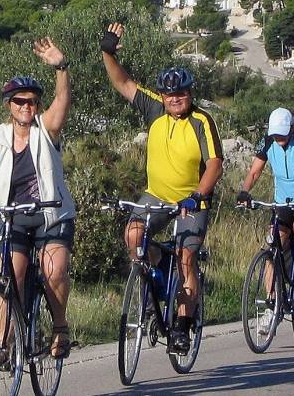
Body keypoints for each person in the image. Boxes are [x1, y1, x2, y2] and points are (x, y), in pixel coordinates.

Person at [100, 22, 224, 354]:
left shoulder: (202, 121)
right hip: (156, 194)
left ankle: (182, 328)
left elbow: (214, 164)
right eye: (170, 95)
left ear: (190, 93)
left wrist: (198, 195)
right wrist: (107, 51)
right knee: (133, 236)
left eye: (180, 94)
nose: (174, 99)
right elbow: (122, 82)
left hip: (191, 200)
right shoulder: (155, 108)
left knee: (186, 258)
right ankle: (157, 268)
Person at [0, 38, 76, 363]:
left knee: (54, 270)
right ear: (9, 104)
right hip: (13, 218)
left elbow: (62, 102)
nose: (26, 106)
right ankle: (3, 345)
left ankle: (60, 328)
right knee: (11, 275)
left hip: (51, 215)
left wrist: (61, 68)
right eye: (20, 101)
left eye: (33, 101)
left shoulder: (45, 129)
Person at [238, 107, 294, 304]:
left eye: (283, 133)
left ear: (292, 129)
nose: (279, 138)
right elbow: (254, 172)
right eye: (275, 134)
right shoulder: (267, 143)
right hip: (283, 202)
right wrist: (245, 191)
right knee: (273, 243)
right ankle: (273, 303)